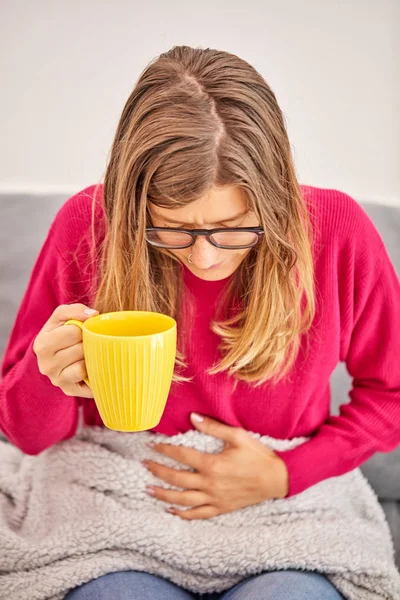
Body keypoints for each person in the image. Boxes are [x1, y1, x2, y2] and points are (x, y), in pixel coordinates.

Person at [1, 45, 399, 600]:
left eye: (233, 228)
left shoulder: (337, 232)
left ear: (276, 200)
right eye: (172, 229)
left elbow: (392, 391)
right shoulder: (88, 226)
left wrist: (289, 473)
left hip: (282, 507)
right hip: (114, 507)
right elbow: (25, 436)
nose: (206, 260)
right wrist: (45, 377)